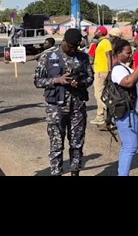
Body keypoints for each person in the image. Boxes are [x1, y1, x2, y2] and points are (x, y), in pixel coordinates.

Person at [33, 28, 94, 176]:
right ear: (64, 41)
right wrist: (56, 80)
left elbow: (90, 77)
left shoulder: (83, 57)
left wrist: (80, 83)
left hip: (77, 106)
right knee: (56, 144)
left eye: (76, 47)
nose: (73, 50)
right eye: (71, 47)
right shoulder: (48, 56)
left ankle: (75, 172)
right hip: (56, 107)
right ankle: (56, 172)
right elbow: (37, 81)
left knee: (77, 143)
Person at [109, 39, 138, 176]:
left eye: (131, 52)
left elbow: (136, 85)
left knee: (129, 146)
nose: (130, 55)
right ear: (118, 53)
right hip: (127, 114)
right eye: (127, 53)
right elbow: (129, 82)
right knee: (130, 147)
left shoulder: (125, 67)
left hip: (132, 112)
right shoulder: (118, 69)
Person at [91, 26, 112, 126]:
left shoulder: (105, 42)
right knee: (99, 94)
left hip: (102, 72)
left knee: (98, 94)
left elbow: (109, 56)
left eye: (97, 30)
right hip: (99, 70)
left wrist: (109, 70)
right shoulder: (100, 42)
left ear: (101, 32)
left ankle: (102, 116)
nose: (95, 32)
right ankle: (101, 116)